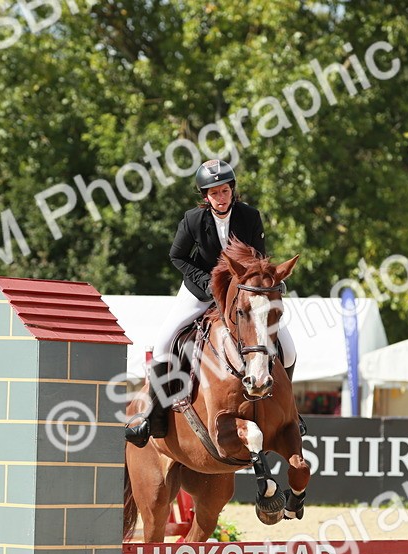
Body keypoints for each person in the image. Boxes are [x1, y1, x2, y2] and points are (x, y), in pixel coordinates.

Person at [124, 159, 298, 447]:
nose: (221, 197)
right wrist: (206, 282)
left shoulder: (250, 217)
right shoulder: (193, 220)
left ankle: (287, 412)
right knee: (165, 341)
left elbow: (260, 258)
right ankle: (151, 415)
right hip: (200, 290)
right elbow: (177, 256)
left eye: (225, 191)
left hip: (243, 294)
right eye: (214, 193)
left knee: (288, 350)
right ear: (205, 196)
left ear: (233, 191)